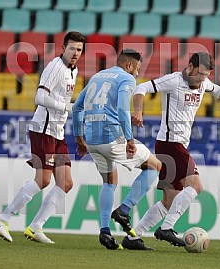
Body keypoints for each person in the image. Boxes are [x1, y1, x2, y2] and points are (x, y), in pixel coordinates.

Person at [122, 51, 220, 250]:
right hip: (170, 144)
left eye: (207, 75)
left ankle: (133, 237)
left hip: (174, 145)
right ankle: (167, 227)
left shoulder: (203, 84)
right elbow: (141, 87)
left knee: (169, 200)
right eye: (200, 73)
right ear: (190, 67)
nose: (203, 79)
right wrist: (138, 110)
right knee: (196, 185)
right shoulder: (173, 80)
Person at [0, 31, 85, 244]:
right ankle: (3, 218)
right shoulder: (55, 67)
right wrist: (65, 107)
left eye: (79, 50)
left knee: (66, 182)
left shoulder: (74, 70)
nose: (75, 53)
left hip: (58, 132)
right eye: (72, 48)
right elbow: (40, 97)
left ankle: (35, 227)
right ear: (63, 48)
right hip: (43, 129)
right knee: (43, 180)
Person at [72, 49, 162, 250]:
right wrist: (129, 139)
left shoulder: (97, 76)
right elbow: (122, 109)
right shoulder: (126, 79)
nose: (137, 74)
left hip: (93, 140)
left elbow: (76, 107)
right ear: (129, 65)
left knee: (110, 181)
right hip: (112, 138)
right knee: (155, 165)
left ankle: (104, 231)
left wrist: (79, 138)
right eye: (137, 69)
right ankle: (124, 210)